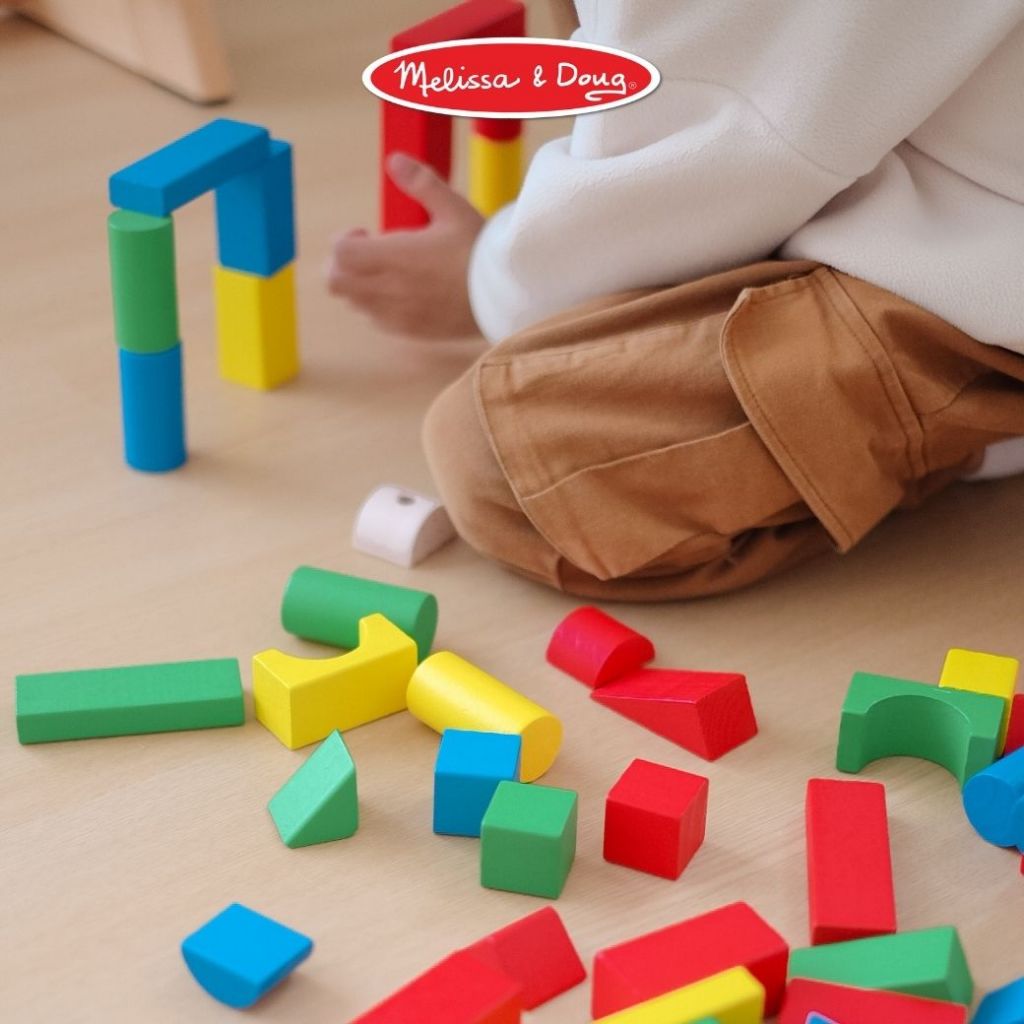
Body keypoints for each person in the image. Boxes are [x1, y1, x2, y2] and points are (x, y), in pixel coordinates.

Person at [327, 1, 1024, 601]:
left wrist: (486, 281)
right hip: (955, 199)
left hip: (978, 283)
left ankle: (969, 427)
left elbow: (693, 169)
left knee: (511, 460)